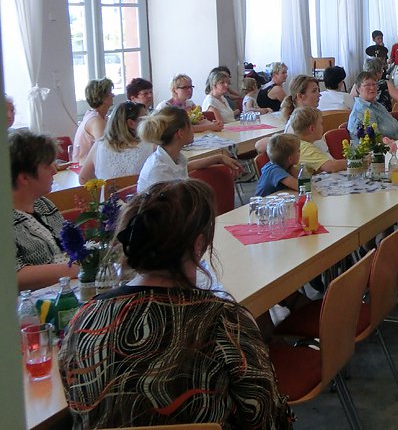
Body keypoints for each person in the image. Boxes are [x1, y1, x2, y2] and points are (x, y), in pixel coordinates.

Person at [59, 179, 293, 429]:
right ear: (198, 245)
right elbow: (267, 419)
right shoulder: (224, 322)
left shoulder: (83, 321)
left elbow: (79, 410)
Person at [11, 132, 79, 289]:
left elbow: (69, 247)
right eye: (48, 166)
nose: (54, 170)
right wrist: (76, 269)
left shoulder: (43, 204)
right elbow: (13, 275)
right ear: (25, 177)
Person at [136, 106, 241, 193]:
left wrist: (219, 158)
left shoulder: (172, 156)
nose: (193, 129)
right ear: (180, 133)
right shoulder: (159, 171)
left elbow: (187, 166)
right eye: (190, 125)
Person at [78, 100, 154, 182]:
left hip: (108, 190)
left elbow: (83, 178)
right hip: (139, 190)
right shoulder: (150, 146)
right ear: (131, 123)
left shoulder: (99, 145)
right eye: (145, 118)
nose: (150, 122)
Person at [156, 74, 223, 133]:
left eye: (191, 87)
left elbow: (201, 120)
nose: (190, 90)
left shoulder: (190, 104)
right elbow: (182, 129)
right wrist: (210, 126)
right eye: (185, 87)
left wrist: (214, 124)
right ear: (174, 90)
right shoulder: (164, 107)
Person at [347, 71, 398, 140]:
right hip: (381, 145)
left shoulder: (377, 105)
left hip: (397, 142)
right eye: (367, 85)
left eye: (374, 84)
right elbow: (376, 138)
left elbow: (397, 127)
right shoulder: (361, 111)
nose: (372, 88)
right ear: (358, 89)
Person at [290, 106, 346, 174]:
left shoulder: (301, 144)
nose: (322, 126)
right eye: (321, 123)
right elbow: (331, 167)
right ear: (312, 129)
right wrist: (353, 162)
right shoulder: (305, 148)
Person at [72, 77, 114, 162]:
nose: (113, 95)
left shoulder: (98, 116)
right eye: (110, 92)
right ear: (103, 98)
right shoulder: (96, 121)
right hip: (84, 167)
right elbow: (106, 149)